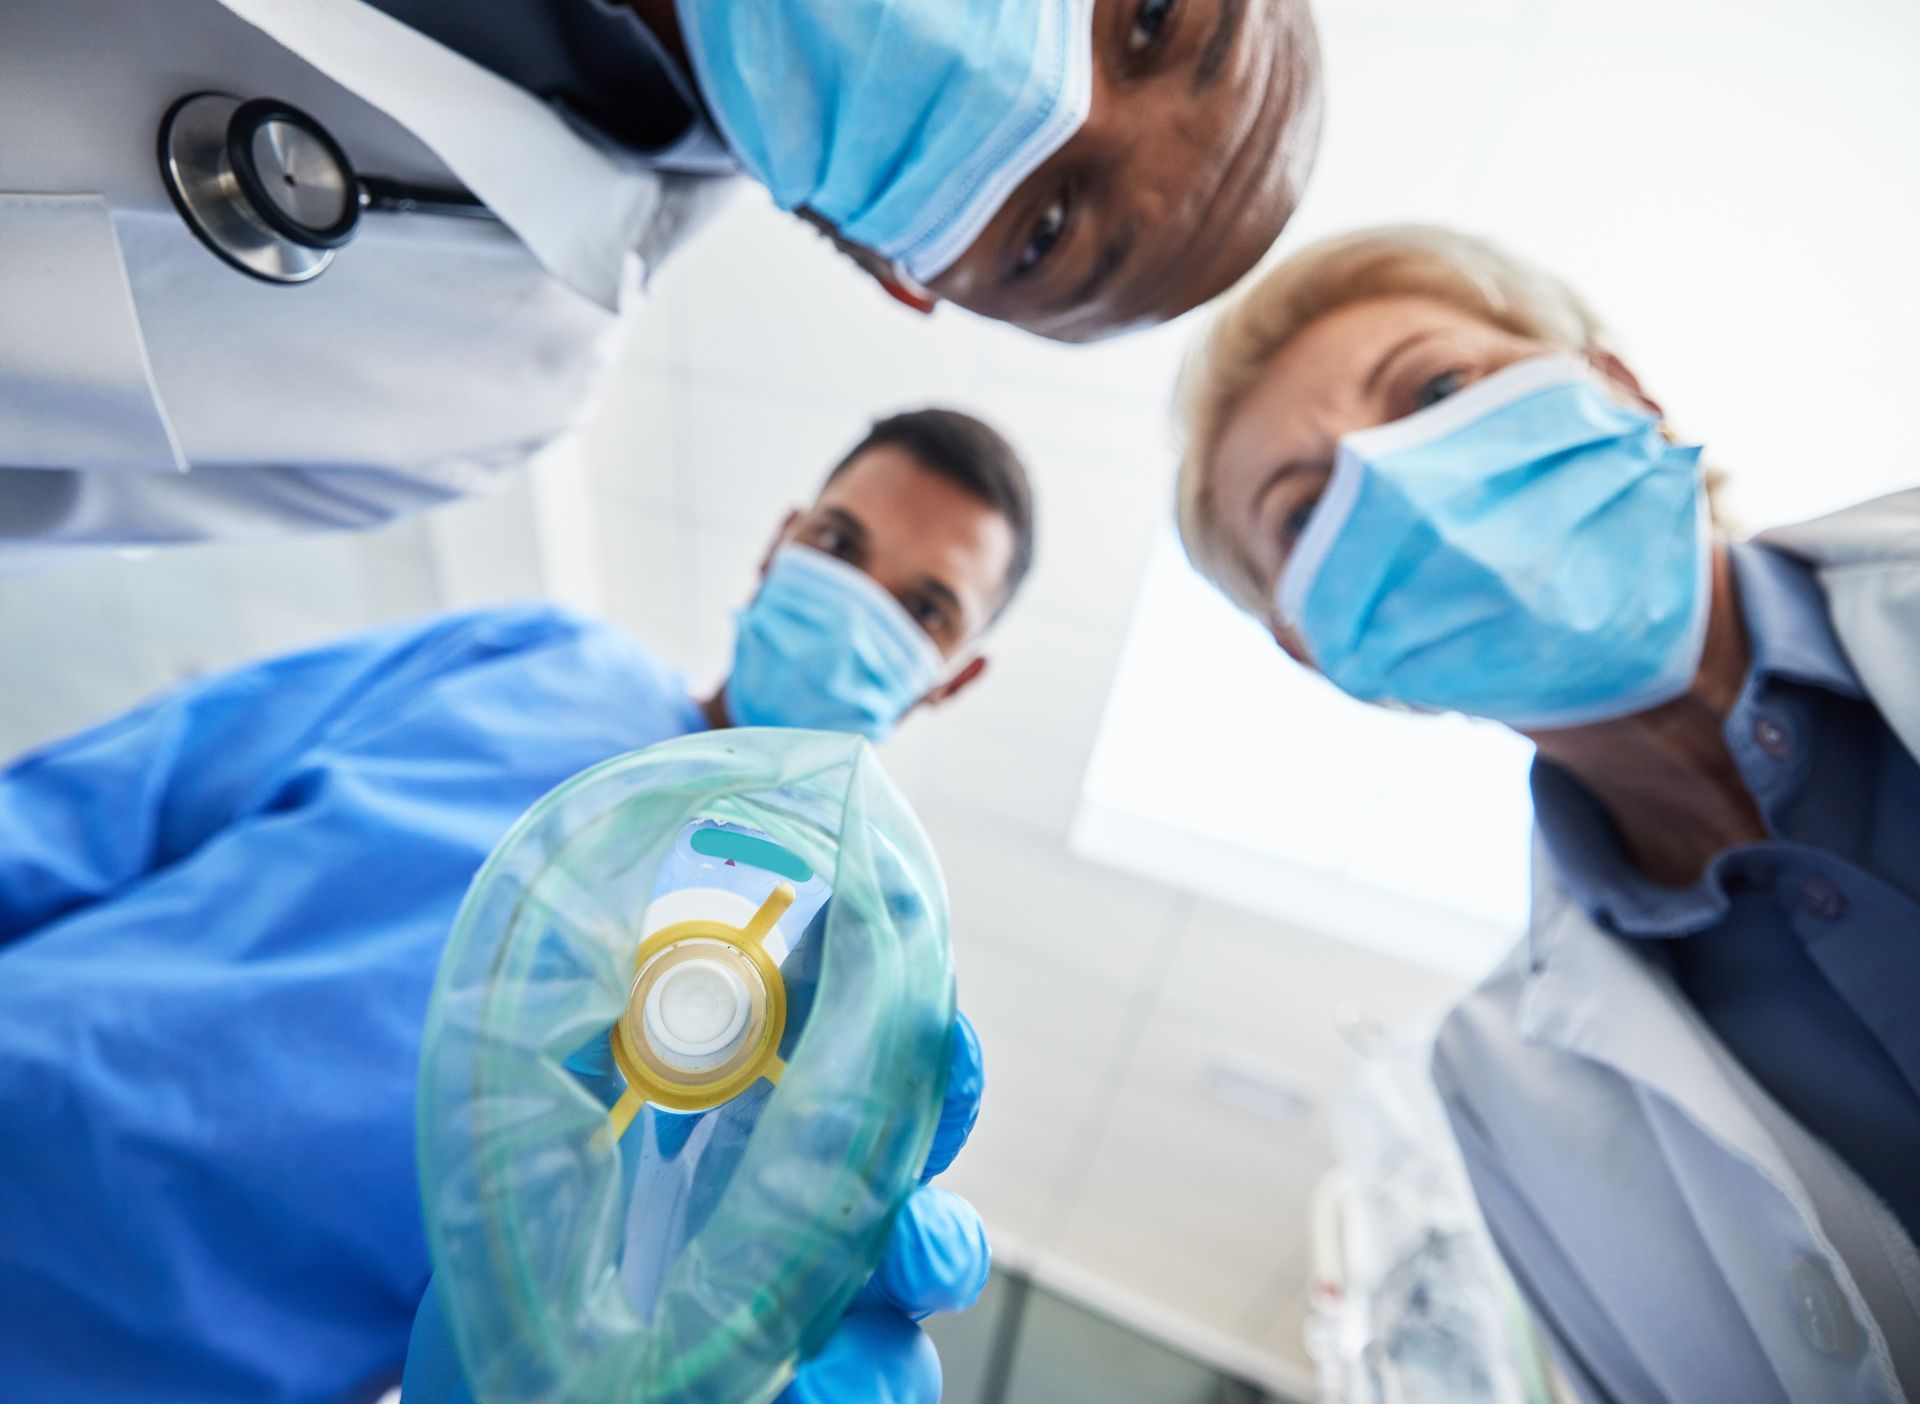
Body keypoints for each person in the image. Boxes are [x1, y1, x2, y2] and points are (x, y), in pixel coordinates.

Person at [0, 408, 1035, 1404]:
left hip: (149, 1364)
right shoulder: (545, 660)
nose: (858, 603)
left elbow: (585, 1321)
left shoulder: (817, 1002)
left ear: (954, 678)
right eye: (839, 542)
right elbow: (137, 785)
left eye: (923, 608)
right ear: (779, 543)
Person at [1172, 226, 1920, 1402]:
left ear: (1617, 388)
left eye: (1438, 388)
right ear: (1323, 654)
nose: (1404, 491)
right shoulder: (1502, 1094)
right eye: (1307, 510)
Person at [0, 0, 1320, 562]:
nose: (1030, 97)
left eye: (1041, 232)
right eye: (1149, 19)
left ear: (896, 278)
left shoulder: (476, 395)